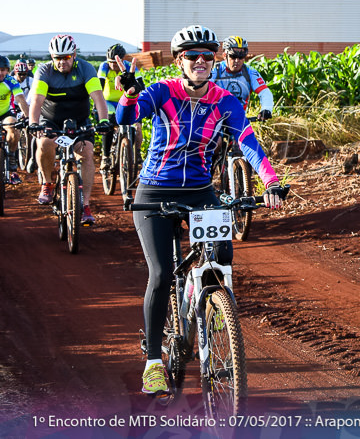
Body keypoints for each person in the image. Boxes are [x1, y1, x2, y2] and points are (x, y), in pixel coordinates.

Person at [113, 24, 287, 396]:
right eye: (193, 56)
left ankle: (213, 306)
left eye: (208, 56)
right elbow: (127, 118)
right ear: (180, 61)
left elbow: (249, 142)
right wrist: (129, 94)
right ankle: (153, 364)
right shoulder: (162, 91)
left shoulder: (225, 100)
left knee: (222, 253)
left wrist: (269, 181)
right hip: (154, 191)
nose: (201, 62)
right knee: (161, 274)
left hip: (199, 190)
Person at [28, 35, 110, 225]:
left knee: (87, 153)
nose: (61, 61)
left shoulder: (86, 68)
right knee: (44, 142)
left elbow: (98, 98)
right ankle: (47, 183)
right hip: (51, 119)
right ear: (52, 57)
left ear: (74, 55)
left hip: (79, 119)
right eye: (57, 57)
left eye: (65, 57)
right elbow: (37, 101)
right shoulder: (45, 71)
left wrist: (104, 120)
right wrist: (33, 122)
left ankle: (86, 205)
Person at [97, 43, 142, 173]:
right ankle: (105, 157)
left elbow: (141, 85)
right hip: (109, 102)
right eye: (111, 62)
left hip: (126, 102)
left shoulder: (130, 67)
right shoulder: (104, 67)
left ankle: (137, 153)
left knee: (137, 128)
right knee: (108, 126)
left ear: (123, 59)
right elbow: (99, 85)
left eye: (116, 62)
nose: (113, 65)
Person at [210, 36, 274, 121]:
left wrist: (266, 109)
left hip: (239, 120)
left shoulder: (250, 72)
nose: (237, 60)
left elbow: (265, 92)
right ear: (225, 55)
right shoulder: (215, 70)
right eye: (233, 56)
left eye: (241, 57)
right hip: (214, 120)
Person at [1, 56, 30, 184]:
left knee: (14, 128)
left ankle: (12, 161)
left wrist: (29, 117)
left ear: (8, 71)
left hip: (5, 113)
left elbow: (20, 99)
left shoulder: (10, 81)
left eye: (3, 70)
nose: (0, 73)